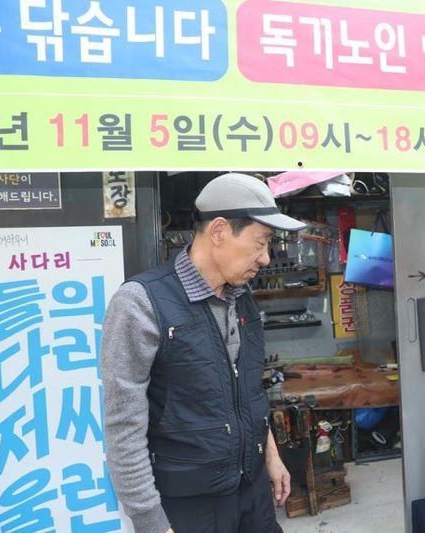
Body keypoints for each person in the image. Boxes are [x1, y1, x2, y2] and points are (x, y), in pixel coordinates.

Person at [101, 172, 304, 533]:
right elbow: (124, 427)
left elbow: (250, 393)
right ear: (220, 231)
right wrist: (150, 522)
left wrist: (271, 457)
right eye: (260, 243)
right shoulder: (140, 303)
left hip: (252, 490)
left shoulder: (243, 301)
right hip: (188, 505)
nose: (266, 259)